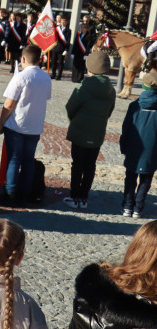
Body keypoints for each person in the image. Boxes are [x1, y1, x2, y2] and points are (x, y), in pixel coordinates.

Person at [0, 44, 51, 205]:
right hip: (35, 126)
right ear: (40, 59)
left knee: (14, 159)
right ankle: (24, 193)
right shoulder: (46, 77)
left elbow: (9, 104)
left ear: (23, 59)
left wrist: (1, 123)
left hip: (17, 124)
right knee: (28, 160)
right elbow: (45, 98)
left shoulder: (20, 77)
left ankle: (10, 193)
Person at [63, 50, 116, 210]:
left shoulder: (83, 86)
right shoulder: (111, 90)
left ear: (89, 68)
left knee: (77, 165)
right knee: (90, 166)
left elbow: (70, 107)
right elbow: (109, 111)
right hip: (97, 132)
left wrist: (74, 121)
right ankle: (83, 198)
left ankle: (74, 196)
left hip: (80, 130)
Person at [119, 71, 157, 218]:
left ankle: (127, 206)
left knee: (130, 177)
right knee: (146, 179)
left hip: (134, 145)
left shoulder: (134, 105)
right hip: (153, 148)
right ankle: (138, 208)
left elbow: (126, 127)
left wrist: (123, 145)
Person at [70, 15, 95, 83]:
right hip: (76, 52)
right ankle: (74, 78)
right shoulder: (78, 34)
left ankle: (79, 78)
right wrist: (72, 53)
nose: (83, 29)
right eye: (82, 28)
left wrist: (86, 54)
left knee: (81, 67)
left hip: (83, 53)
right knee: (75, 66)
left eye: (85, 28)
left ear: (87, 29)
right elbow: (75, 44)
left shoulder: (89, 35)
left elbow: (88, 45)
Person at [50, 15, 70, 80]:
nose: (63, 23)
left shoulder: (69, 31)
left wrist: (66, 50)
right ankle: (53, 74)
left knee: (60, 63)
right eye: (62, 22)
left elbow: (68, 41)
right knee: (53, 62)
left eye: (64, 22)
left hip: (62, 49)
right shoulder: (56, 29)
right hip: (55, 47)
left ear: (67, 22)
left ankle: (59, 75)